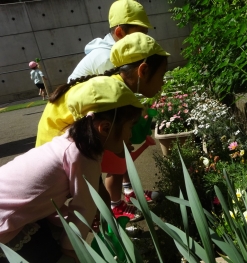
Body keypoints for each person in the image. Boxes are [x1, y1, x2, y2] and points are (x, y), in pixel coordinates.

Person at [0, 76, 144, 263]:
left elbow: (45, 194)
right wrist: (73, 249)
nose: (131, 135)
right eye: (130, 127)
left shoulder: (73, 142)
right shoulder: (84, 156)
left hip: (14, 211)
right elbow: (85, 207)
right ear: (106, 128)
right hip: (7, 221)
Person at [35, 32, 170, 222]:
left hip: (57, 156)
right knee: (70, 216)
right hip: (52, 167)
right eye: (161, 75)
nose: (163, 83)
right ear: (144, 70)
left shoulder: (113, 87)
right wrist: (100, 204)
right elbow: (92, 162)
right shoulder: (110, 97)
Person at [67, 0, 152, 82]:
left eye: (145, 33)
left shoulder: (115, 53)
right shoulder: (107, 59)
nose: (144, 38)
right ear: (119, 33)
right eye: (140, 33)